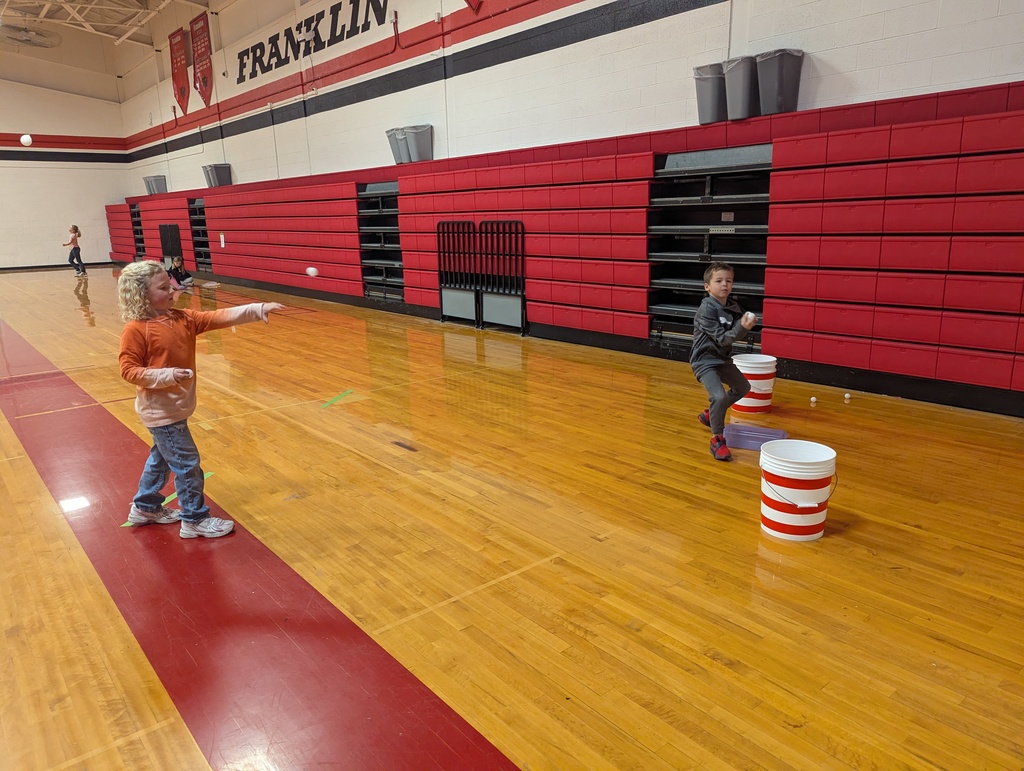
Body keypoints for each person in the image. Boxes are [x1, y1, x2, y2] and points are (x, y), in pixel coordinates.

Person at [118, 260, 285, 538]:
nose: (172, 290)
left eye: (170, 284)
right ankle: (194, 519)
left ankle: (145, 506)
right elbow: (128, 370)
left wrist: (257, 309)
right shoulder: (137, 329)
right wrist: (168, 375)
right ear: (141, 295)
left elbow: (218, 317)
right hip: (161, 411)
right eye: (163, 288)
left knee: (160, 459)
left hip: (177, 407)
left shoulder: (181, 318)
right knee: (187, 465)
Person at [690, 261, 757, 461]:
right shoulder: (706, 309)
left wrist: (743, 324)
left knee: (743, 387)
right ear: (707, 286)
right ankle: (717, 439)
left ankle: (711, 415)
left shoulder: (734, 308)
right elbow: (724, 337)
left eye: (728, 281)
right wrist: (743, 328)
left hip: (723, 359)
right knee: (718, 397)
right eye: (718, 281)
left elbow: (735, 335)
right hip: (704, 361)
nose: (724, 284)